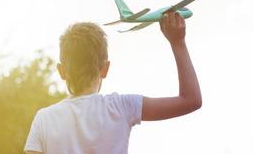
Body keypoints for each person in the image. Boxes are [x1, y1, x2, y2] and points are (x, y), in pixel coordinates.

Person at [24, 11, 202, 153]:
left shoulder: (44, 119)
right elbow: (191, 100)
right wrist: (178, 42)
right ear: (105, 68)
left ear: (61, 71)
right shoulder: (122, 106)